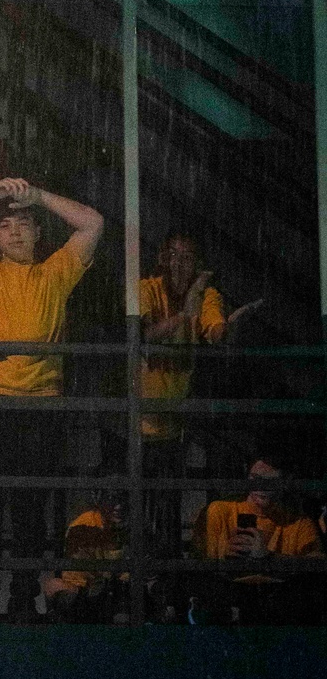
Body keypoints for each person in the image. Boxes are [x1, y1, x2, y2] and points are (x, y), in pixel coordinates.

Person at [0, 179, 103, 618]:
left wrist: (39, 196)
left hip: (41, 404)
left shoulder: (55, 272)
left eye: (24, 224)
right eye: (5, 225)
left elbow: (93, 223)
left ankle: (21, 598)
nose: (14, 231)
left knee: (31, 506)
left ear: (37, 233)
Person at [140, 233, 262, 555]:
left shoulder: (207, 294)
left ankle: (197, 560)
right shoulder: (147, 289)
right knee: (146, 499)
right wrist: (184, 314)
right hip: (143, 414)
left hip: (178, 413)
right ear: (162, 260)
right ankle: (153, 567)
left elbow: (215, 328)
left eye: (188, 256)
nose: (180, 262)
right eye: (174, 255)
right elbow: (145, 335)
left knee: (177, 492)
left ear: (197, 263)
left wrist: (229, 326)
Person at [190, 453, 323, 625]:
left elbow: (317, 564)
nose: (261, 486)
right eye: (255, 478)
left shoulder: (298, 521)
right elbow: (198, 561)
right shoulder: (219, 510)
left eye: (271, 481)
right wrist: (224, 553)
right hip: (229, 595)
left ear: (285, 481)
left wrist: (268, 557)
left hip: (278, 602)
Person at [43, 495, 129, 623]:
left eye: (122, 499)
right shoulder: (84, 526)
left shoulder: (131, 524)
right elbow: (84, 571)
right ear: (100, 502)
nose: (118, 507)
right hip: (88, 589)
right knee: (56, 587)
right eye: (112, 500)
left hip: (117, 586)